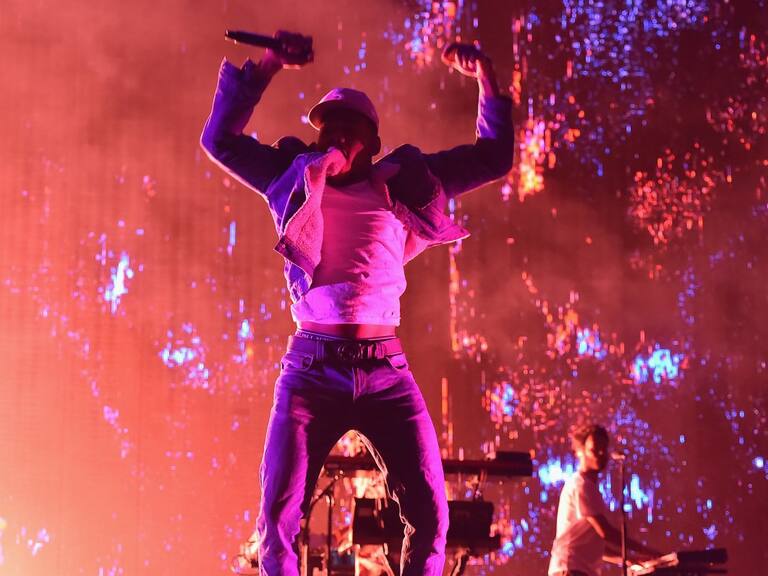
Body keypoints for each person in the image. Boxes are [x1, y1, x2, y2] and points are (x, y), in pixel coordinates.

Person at [201, 30, 514, 576]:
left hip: (387, 373)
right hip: (311, 371)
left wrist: (487, 79)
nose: (335, 136)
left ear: (373, 140)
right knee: (277, 521)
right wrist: (269, 63)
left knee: (431, 519)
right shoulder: (295, 178)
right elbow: (219, 140)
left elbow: (494, 156)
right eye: (326, 128)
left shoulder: (408, 182)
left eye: (348, 128)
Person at [548, 424, 661, 576]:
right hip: (570, 571)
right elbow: (606, 532)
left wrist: (627, 559)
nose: (601, 453)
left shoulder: (587, 486)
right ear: (580, 452)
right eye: (595, 450)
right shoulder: (582, 485)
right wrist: (648, 551)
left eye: (604, 449)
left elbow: (594, 545)